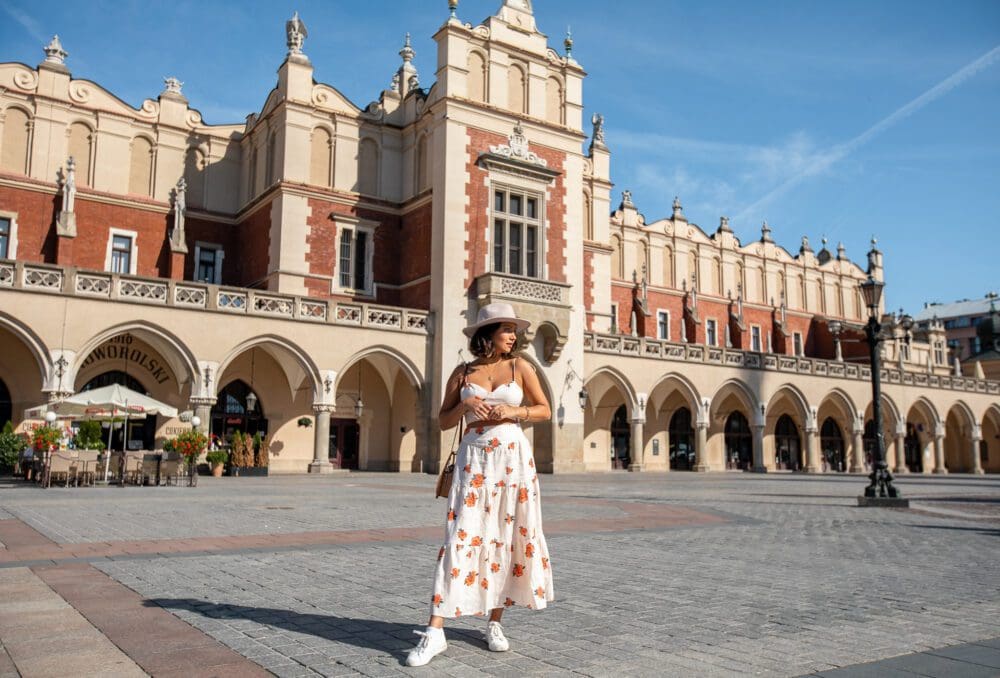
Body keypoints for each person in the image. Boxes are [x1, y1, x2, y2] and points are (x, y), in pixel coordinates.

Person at [406, 302, 554, 668]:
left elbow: (544, 409)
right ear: (487, 334)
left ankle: (495, 622)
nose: (513, 336)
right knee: (460, 536)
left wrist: (513, 411)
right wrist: (465, 403)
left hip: (513, 461)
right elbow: (442, 421)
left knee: (507, 536)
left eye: (513, 331)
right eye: (506, 329)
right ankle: (435, 630)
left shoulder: (522, 367)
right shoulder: (463, 372)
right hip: (475, 460)